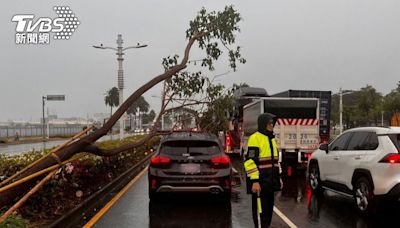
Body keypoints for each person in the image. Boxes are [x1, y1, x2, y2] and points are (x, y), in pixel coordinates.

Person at [244, 113, 282, 228]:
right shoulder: (255, 138)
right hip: (260, 183)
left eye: (272, 123)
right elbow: (250, 161)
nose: (272, 125)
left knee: (269, 212)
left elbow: (275, 161)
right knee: (261, 213)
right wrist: (255, 181)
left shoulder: (272, 139)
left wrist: (279, 178)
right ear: (263, 124)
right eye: (269, 123)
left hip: (271, 182)